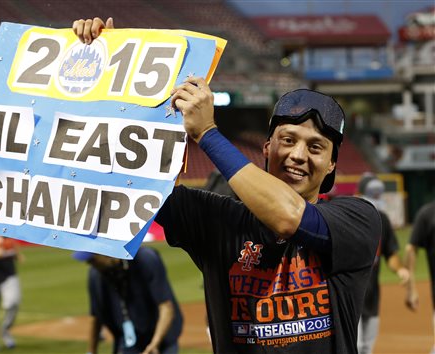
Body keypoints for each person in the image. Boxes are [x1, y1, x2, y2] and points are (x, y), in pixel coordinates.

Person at [72, 18, 381, 354]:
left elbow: (288, 217)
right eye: (287, 140)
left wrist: (207, 134)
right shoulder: (218, 221)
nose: (297, 155)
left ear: (333, 164)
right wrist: (105, 66)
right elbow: (123, 176)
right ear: (266, 149)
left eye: (316, 147)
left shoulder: (357, 219)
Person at [73, 246, 183, 354]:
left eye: (92, 259)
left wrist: (154, 344)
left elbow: (166, 307)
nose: (90, 264)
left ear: (105, 251)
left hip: (162, 339)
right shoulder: (96, 275)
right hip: (129, 341)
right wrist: (91, 351)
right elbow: (97, 315)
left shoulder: (145, 258)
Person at [356, 173, 409, 354]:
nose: (377, 198)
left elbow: (391, 254)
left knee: (367, 348)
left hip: (372, 295)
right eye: (373, 193)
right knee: (353, 346)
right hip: (350, 293)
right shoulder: (350, 218)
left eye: (379, 194)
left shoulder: (382, 220)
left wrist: (400, 269)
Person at [405, 199, 435, 354]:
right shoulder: (428, 213)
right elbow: (411, 249)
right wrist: (411, 289)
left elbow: (410, 249)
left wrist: (411, 289)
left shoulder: (428, 213)